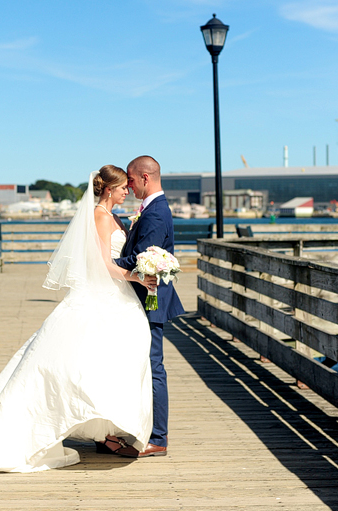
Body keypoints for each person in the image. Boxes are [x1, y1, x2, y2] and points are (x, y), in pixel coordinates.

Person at [0, 165, 157, 472]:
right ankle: (36, 428)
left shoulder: (117, 217)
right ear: (109, 190)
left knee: (113, 360)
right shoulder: (100, 217)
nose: (128, 190)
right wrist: (138, 277)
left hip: (118, 296)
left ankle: (107, 431)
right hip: (102, 295)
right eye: (123, 187)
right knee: (70, 363)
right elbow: (104, 264)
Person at [114, 155, 185, 457]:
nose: (128, 186)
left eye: (130, 179)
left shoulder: (155, 213)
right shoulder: (151, 210)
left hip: (150, 298)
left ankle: (158, 438)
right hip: (142, 297)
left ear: (144, 177)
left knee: (154, 366)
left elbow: (142, 259)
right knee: (145, 365)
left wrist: (104, 264)